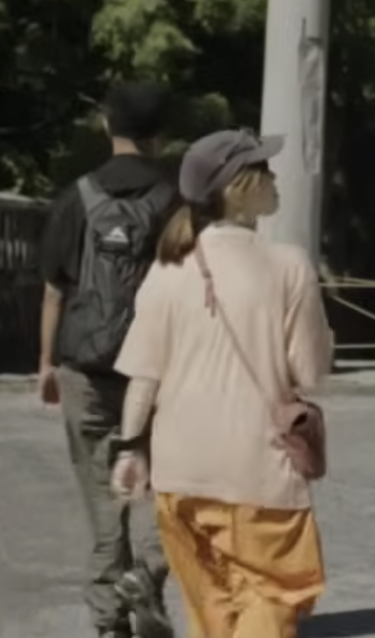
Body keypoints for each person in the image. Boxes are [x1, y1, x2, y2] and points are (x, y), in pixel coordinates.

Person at [110, 128, 335, 638]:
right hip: (258, 470)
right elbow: (309, 373)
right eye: (264, 169)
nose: (275, 178)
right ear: (238, 187)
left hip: (179, 472)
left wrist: (129, 450)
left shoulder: (167, 269)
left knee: (213, 611)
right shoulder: (287, 265)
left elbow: (144, 376)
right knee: (268, 598)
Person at [39, 81, 181, 638]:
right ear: (162, 136)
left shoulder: (75, 197)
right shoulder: (178, 201)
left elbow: (54, 289)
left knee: (104, 499)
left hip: (85, 366)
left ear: (106, 125)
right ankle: (145, 574)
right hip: (161, 370)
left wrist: (46, 363)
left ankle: (108, 623)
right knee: (171, 488)